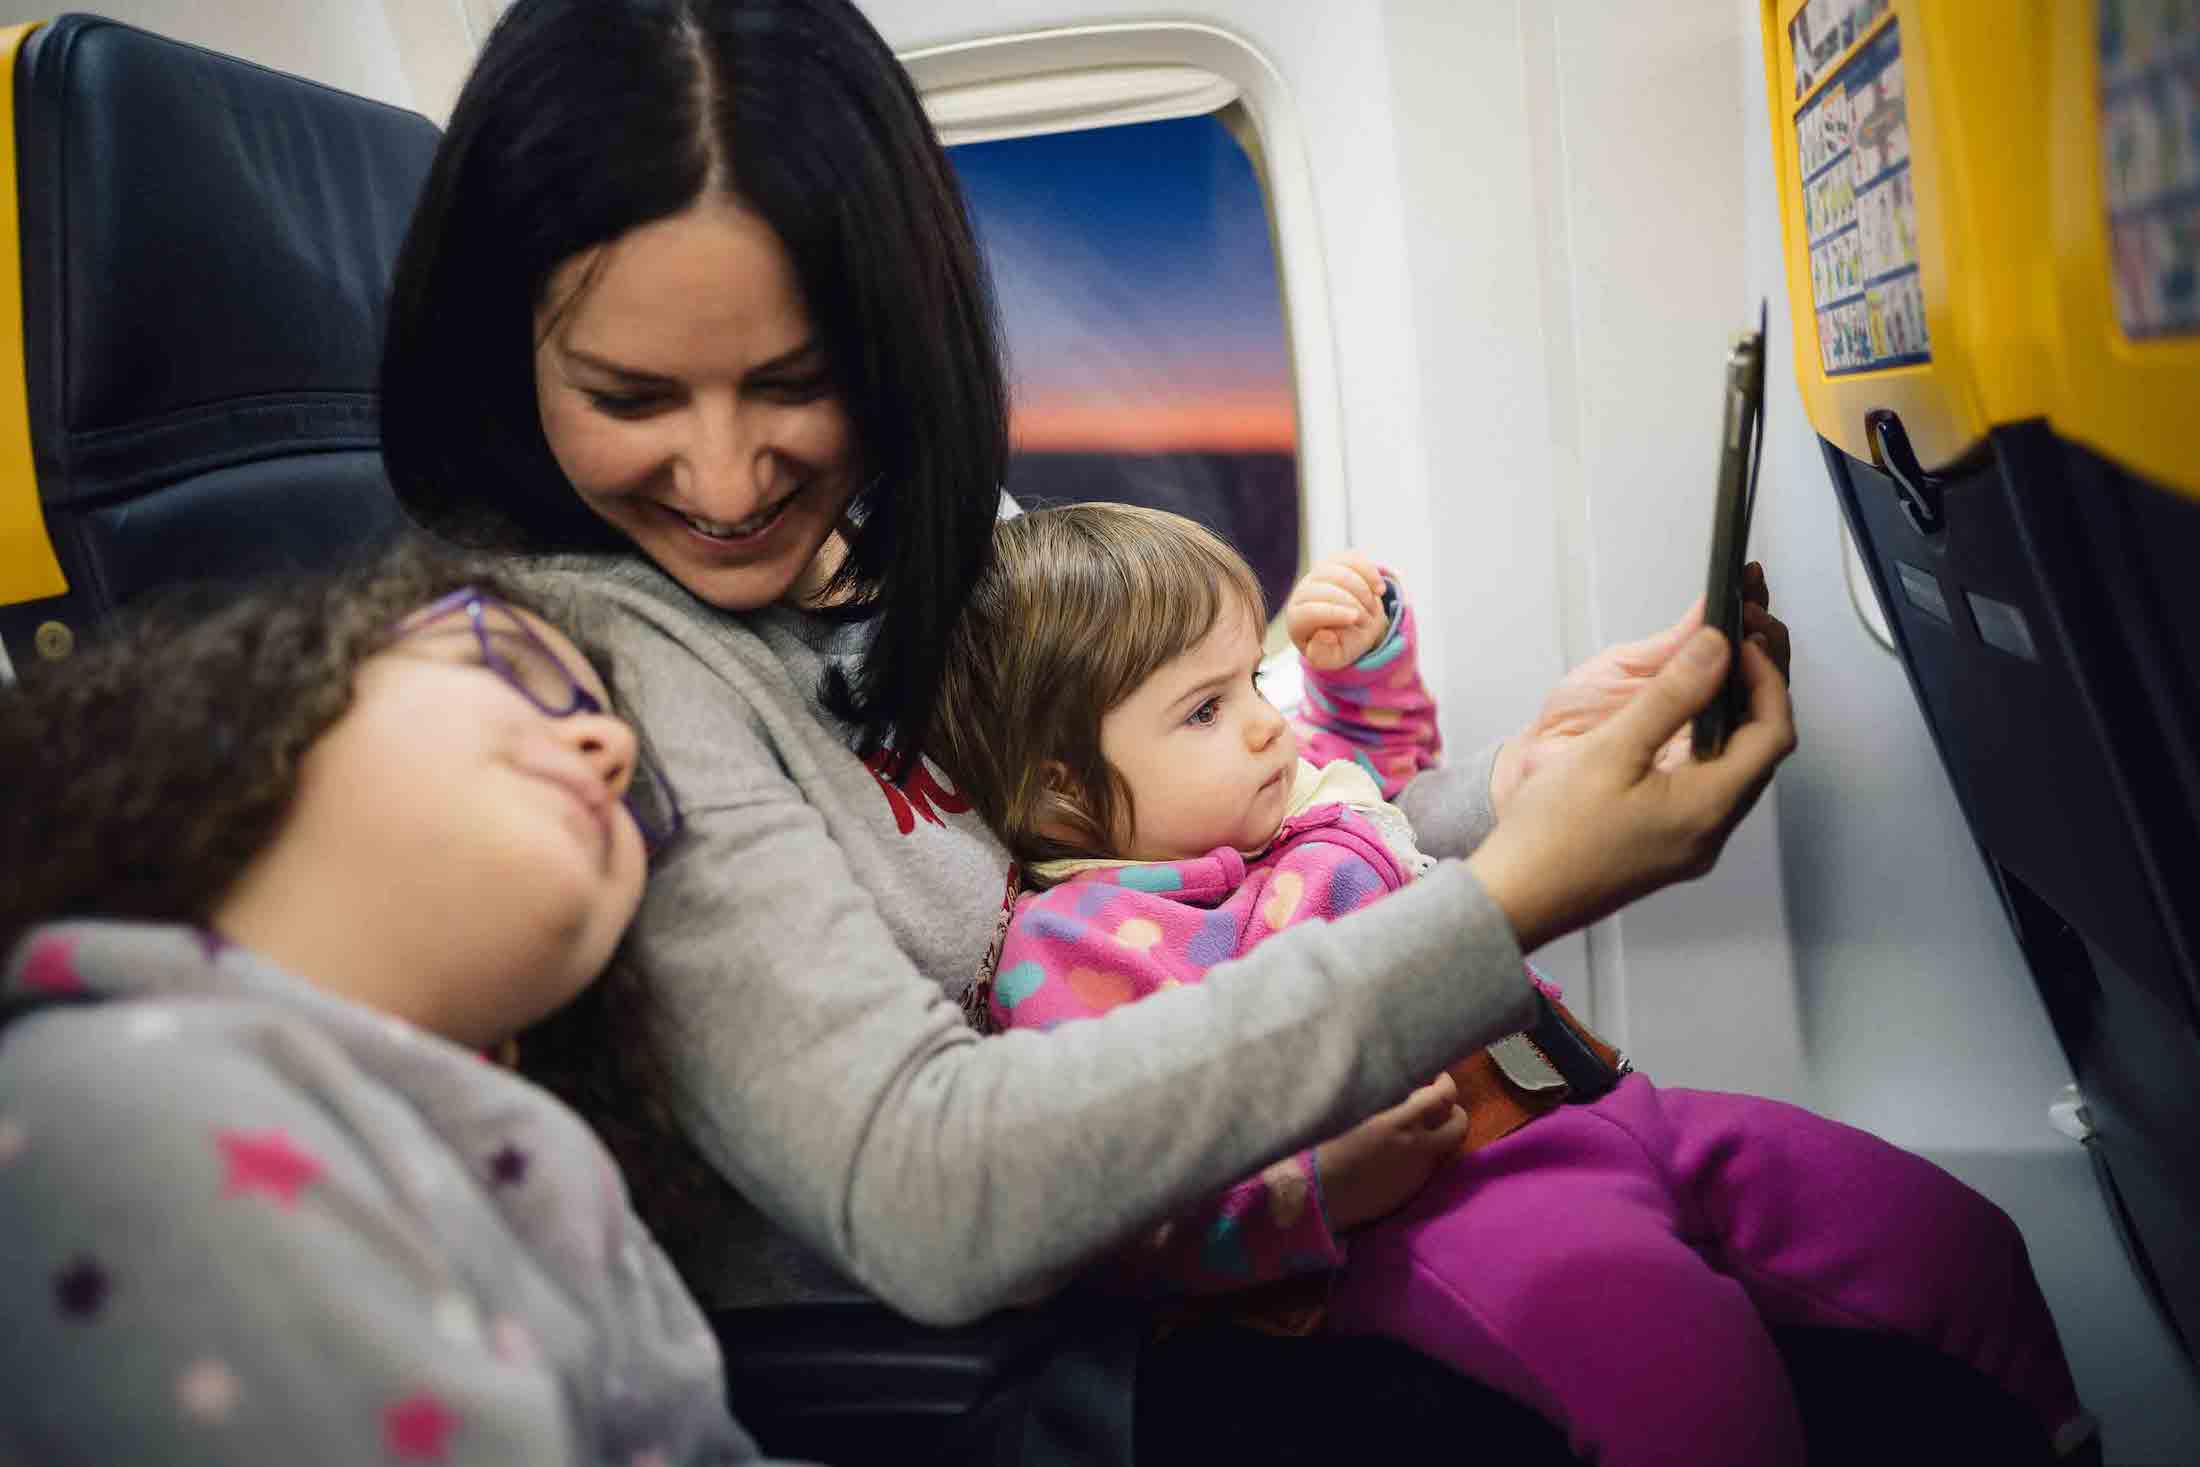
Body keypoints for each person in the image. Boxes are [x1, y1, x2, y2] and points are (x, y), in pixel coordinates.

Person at [377, 4, 2055, 1461]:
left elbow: (1202, 836)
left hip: (1207, 1214)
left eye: (795, 381)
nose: (730, 480)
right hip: (1035, 1355)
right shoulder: (592, 677)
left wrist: (1510, 803)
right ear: (505, 356)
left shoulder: (920, 545)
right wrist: (1509, 901)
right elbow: (923, 1188)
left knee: (1937, 1280)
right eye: (631, 399)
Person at [933, 503, 2096, 1466]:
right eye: (1206, 708)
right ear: (1063, 792)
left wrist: (1364, 654)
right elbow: (1117, 1185)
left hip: (1604, 1105)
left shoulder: (1287, 787)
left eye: (1250, 679)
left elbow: (1375, 749)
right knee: (1680, 1383)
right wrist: (1318, 1191)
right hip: (1445, 1202)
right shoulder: (1081, 942)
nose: (1262, 726)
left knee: (1938, 1233)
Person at [0, 546, 796, 1466]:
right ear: (273, 703)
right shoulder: (118, 1107)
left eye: (642, 805)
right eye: (509, 665)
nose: (614, 748)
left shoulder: (526, 1165)